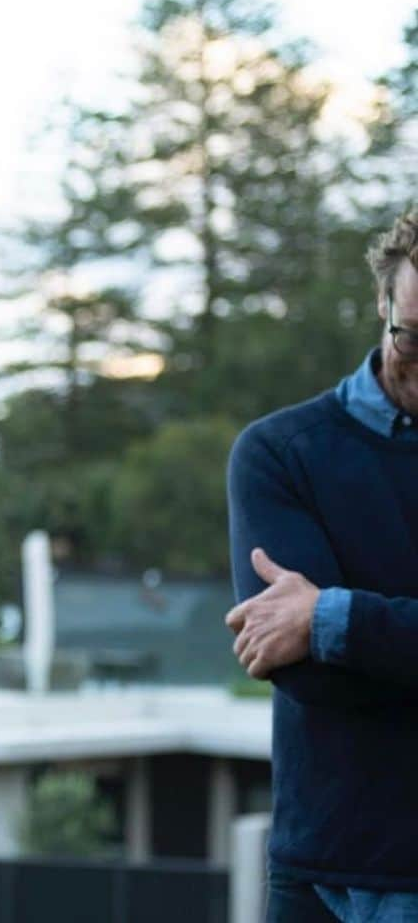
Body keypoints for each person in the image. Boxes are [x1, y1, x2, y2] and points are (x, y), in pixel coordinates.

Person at [226, 209, 418, 922]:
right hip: (331, 883)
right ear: (382, 306)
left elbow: (323, 646)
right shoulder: (281, 454)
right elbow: (302, 672)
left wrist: (332, 617)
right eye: (415, 337)